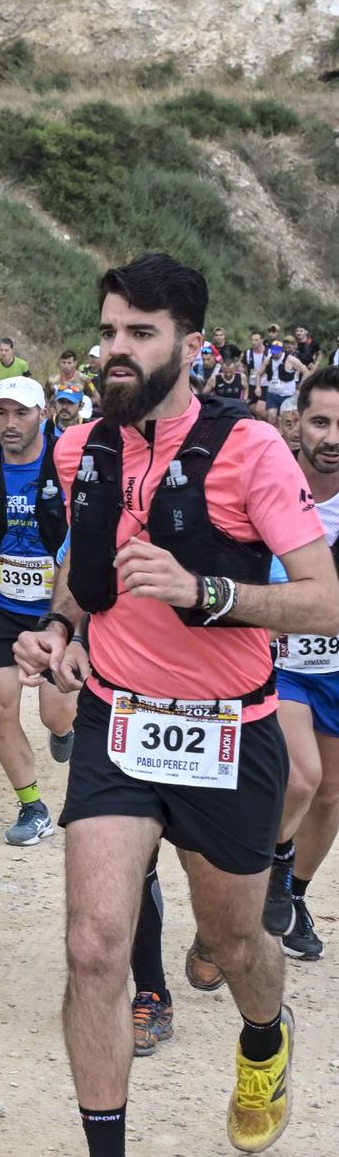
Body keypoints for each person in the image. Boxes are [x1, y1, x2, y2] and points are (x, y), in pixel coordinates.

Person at [12, 254, 339, 1157]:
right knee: (93, 947)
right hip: (118, 725)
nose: (116, 350)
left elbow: (324, 597)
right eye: (109, 331)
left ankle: (266, 1039)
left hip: (228, 734)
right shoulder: (82, 448)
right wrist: (53, 629)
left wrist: (207, 591)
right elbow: (84, 585)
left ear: (190, 345)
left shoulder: (250, 448)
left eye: (141, 333)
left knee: (236, 947)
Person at [0, 377, 77, 845]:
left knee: (56, 716)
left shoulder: (67, 465)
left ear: (44, 413)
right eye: (2, 413)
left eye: (22, 413)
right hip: (1, 605)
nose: (10, 424)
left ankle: (64, 728)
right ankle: (31, 805)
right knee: (0, 707)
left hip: (56, 611)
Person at [270, 366, 339, 962]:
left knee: (331, 795)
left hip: (337, 669)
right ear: (298, 423)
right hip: (282, 660)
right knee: (301, 777)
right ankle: (273, 865)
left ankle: (294, 893)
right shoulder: (270, 484)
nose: (332, 436)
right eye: (321, 422)